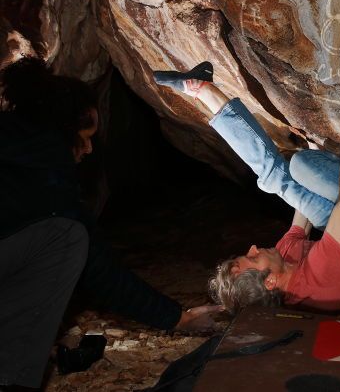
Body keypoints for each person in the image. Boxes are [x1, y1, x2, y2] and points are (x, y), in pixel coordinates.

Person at [0, 58, 220, 391]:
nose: (89, 149)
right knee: (67, 239)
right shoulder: (45, 170)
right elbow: (99, 268)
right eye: (85, 136)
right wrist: (178, 318)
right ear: (62, 128)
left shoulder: (15, 149)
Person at [154, 62, 340, 313]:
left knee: (275, 180)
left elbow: (301, 212)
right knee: (301, 166)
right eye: (253, 258)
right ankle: (203, 89)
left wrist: (305, 166)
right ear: (270, 282)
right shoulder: (323, 278)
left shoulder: (281, 265)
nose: (253, 248)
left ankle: (203, 89)